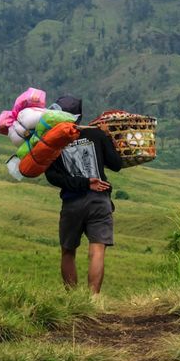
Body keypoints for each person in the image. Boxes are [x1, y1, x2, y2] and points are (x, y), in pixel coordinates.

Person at [44, 95, 123, 294]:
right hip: (100, 200)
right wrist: (107, 140)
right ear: (79, 117)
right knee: (97, 250)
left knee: (68, 251)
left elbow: (52, 176)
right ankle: (94, 299)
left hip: (72, 203)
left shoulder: (52, 141)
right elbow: (116, 164)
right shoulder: (96, 135)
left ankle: (73, 301)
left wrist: (80, 183)